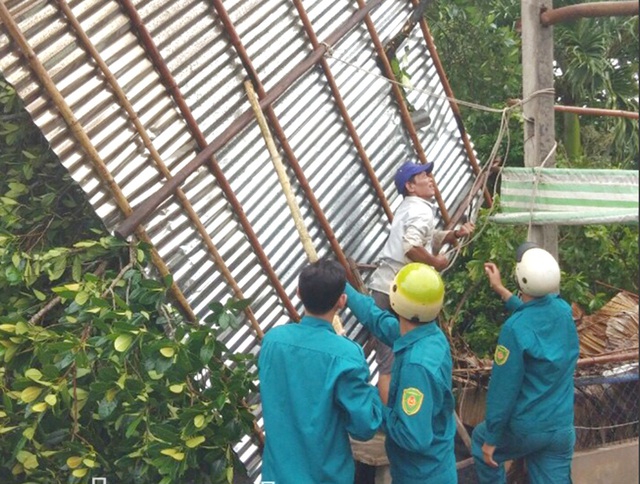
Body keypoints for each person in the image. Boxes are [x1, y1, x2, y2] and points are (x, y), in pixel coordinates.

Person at [258, 258, 383, 484]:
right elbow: (365, 427)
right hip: (325, 477)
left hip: (276, 476)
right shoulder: (346, 355)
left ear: (298, 292)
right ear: (342, 301)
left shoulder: (273, 341)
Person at [471, 242, 580, 484]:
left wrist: (492, 438)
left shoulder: (514, 329)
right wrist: (501, 290)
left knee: (480, 440)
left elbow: (503, 390)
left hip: (528, 428)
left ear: (522, 279)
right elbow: (535, 315)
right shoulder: (563, 311)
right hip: (560, 427)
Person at [369, 160, 475, 403]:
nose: (431, 179)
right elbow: (411, 247)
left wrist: (454, 235)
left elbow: (424, 238)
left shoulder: (409, 207)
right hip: (402, 292)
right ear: (410, 186)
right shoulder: (422, 210)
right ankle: (402, 416)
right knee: (406, 356)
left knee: (386, 359)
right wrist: (436, 263)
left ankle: (390, 420)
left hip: (383, 286)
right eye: (423, 176)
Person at [346, 262, 457, 484]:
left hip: (421, 476)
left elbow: (413, 437)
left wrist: (372, 400)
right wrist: (343, 288)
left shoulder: (417, 368)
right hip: (432, 468)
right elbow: (377, 320)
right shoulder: (429, 336)